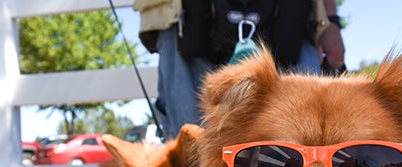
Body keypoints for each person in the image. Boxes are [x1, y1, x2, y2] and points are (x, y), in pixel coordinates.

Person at [133, 0, 346, 140]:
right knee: (191, 148)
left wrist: (329, 20)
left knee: (305, 142)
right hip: (180, 16)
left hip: (292, 18)